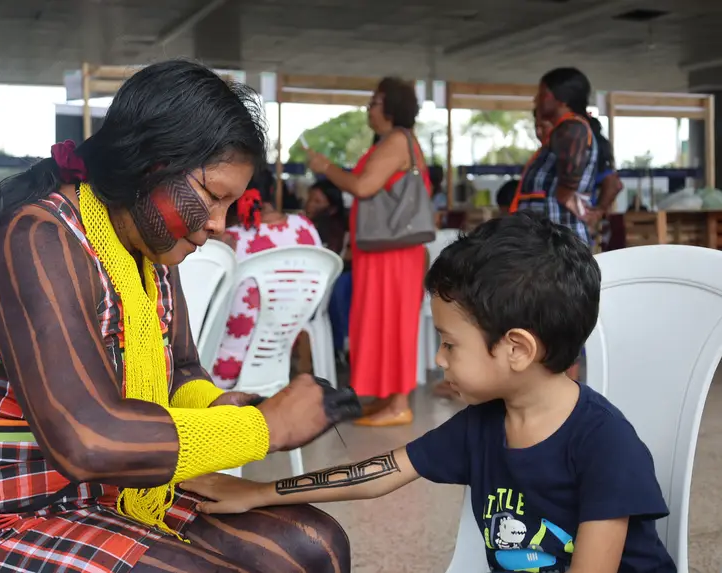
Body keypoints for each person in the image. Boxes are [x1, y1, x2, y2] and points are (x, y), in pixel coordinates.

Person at [0, 61, 356, 573]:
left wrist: (219, 405)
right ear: (149, 167)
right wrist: (263, 428)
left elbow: (181, 370)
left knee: (316, 544)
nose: (218, 224)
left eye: (231, 204)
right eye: (212, 197)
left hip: (108, 493)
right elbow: (88, 439)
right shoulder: (37, 238)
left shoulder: (149, 249)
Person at [181, 212, 677, 573]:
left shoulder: (606, 445)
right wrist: (259, 492)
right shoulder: (485, 424)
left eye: (450, 344)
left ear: (517, 349)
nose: (439, 359)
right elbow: (379, 474)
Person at [306, 77, 431, 426]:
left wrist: (326, 168)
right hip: (382, 251)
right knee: (379, 320)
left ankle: (399, 403)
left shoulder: (397, 140)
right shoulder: (392, 141)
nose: (368, 108)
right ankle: (387, 396)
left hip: (393, 252)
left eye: (374, 102)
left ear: (391, 107)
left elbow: (363, 186)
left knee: (394, 321)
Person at [212, 169, 322, 387]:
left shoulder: (230, 241)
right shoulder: (305, 227)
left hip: (222, 367)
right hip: (277, 359)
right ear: (272, 191)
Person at [509, 68, 601, 245]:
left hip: (558, 237)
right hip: (549, 237)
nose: (536, 100)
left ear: (562, 98)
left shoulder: (573, 128)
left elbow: (571, 173)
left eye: (542, 94)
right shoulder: (562, 130)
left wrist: (566, 196)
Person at [304, 179, 352, 365]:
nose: (309, 204)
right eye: (309, 199)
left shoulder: (328, 229)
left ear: (332, 208)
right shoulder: (309, 225)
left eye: (317, 201)